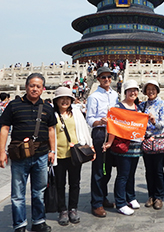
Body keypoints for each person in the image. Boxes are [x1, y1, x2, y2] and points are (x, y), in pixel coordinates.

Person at [0, 73, 57, 232]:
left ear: (43, 88)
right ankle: (20, 225)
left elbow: (51, 130)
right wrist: (1, 151)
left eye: (38, 86)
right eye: (32, 85)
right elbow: (4, 128)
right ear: (26, 86)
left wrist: (52, 150)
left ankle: (38, 221)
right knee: (18, 194)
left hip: (42, 155)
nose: (35, 89)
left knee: (39, 192)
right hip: (19, 156)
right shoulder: (14, 105)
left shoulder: (47, 107)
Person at [52, 87, 95, 226]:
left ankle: (73, 208)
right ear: (56, 100)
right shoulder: (52, 114)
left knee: (75, 183)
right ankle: (62, 210)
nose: (64, 101)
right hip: (59, 154)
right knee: (59, 184)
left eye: (67, 98)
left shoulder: (76, 113)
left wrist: (90, 146)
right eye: (61, 98)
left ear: (71, 100)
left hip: (75, 154)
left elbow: (84, 130)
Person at [103, 80, 143, 216]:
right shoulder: (118, 107)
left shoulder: (139, 109)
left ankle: (130, 197)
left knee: (131, 174)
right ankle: (120, 202)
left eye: (135, 90)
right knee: (123, 175)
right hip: (123, 147)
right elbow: (113, 127)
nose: (133, 93)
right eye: (130, 90)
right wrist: (109, 142)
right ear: (125, 92)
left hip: (136, 146)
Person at [86, 66, 119, 217]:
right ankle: (96, 203)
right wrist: (99, 121)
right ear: (98, 79)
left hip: (114, 133)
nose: (107, 80)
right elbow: (89, 118)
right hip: (100, 133)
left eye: (109, 77)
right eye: (103, 77)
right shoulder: (94, 97)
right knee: (99, 168)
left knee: (108, 168)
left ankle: (104, 196)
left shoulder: (115, 95)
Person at [140, 80, 164, 210]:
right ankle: (151, 195)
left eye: (153, 89)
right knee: (148, 170)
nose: (151, 91)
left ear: (157, 91)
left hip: (158, 141)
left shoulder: (162, 104)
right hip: (146, 141)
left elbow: (163, 123)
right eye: (148, 89)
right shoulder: (142, 105)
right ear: (145, 91)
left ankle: (159, 196)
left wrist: (154, 121)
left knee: (158, 170)